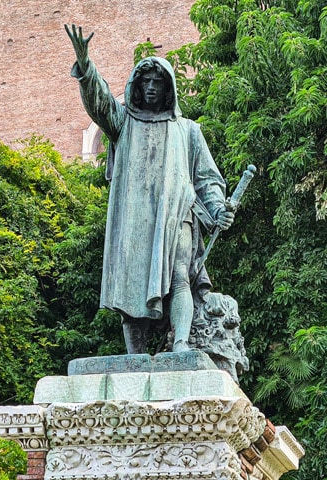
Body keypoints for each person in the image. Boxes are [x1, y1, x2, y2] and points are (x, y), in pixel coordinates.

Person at [65, 25, 234, 354]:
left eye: (158, 82)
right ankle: (136, 356)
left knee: (181, 274)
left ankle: (181, 344)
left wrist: (217, 210)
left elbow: (207, 179)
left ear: (169, 88)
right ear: (136, 86)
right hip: (134, 218)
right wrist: (86, 67)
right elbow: (99, 102)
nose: (152, 88)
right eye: (146, 82)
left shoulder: (187, 130)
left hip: (177, 214)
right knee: (131, 285)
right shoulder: (123, 123)